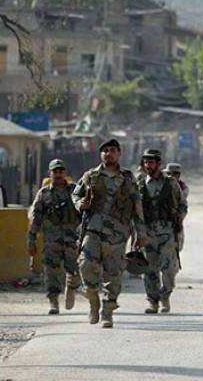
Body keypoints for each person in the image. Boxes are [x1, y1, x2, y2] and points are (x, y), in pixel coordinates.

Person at [72, 139, 147, 328]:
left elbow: (137, 206)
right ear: (100, 155)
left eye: (112, 150)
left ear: (119, 154)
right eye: (105, 151)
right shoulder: (91, 176)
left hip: (118, 234)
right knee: (85, 265)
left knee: (114, 274)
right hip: (92, 230)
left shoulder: (128, 178)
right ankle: (92, 300)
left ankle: (107, 311)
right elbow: (75, 195)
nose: (108, 154)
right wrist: (81, 204)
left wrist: (141, 232)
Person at [27, 159, 80, 315]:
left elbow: (85, 211)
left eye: (60, 171)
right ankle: (54, 301)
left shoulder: (75, 190)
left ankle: (71, 287)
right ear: (49, 173)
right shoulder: (43, 193)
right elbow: (36, 217)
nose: (58, 174)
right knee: (51, 271)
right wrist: (31, 239)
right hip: (52, 239)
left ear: (65, 173)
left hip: (72, 238)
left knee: (76, 269)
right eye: (54, 172)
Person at [137, 151, 186, 314]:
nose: (148, 165)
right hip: (147, 233)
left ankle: (165, 296)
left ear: (159, 163)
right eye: (145, 162)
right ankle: (153, 301)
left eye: (151, 162)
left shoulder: (170, 183)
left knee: (168, 269)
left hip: (167, 232)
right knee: (149, 269)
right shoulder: (140, 183)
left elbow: (182, 204)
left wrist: (178, 219)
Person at [163, 163, 189, 252]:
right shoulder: (160, 184)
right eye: (169, 174)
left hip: (174, 224)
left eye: (175, 174)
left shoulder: (182, 188)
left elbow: (182, 206)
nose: (172, 176)